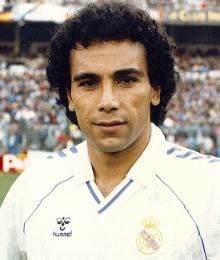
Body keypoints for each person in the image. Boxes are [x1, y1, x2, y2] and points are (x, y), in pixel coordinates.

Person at [0, 1, 220, 259]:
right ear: (69, 95)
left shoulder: (210, 191)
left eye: (126, 80)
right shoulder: (33, 188)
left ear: (156, 89)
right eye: (89, 82)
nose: (108, 102)